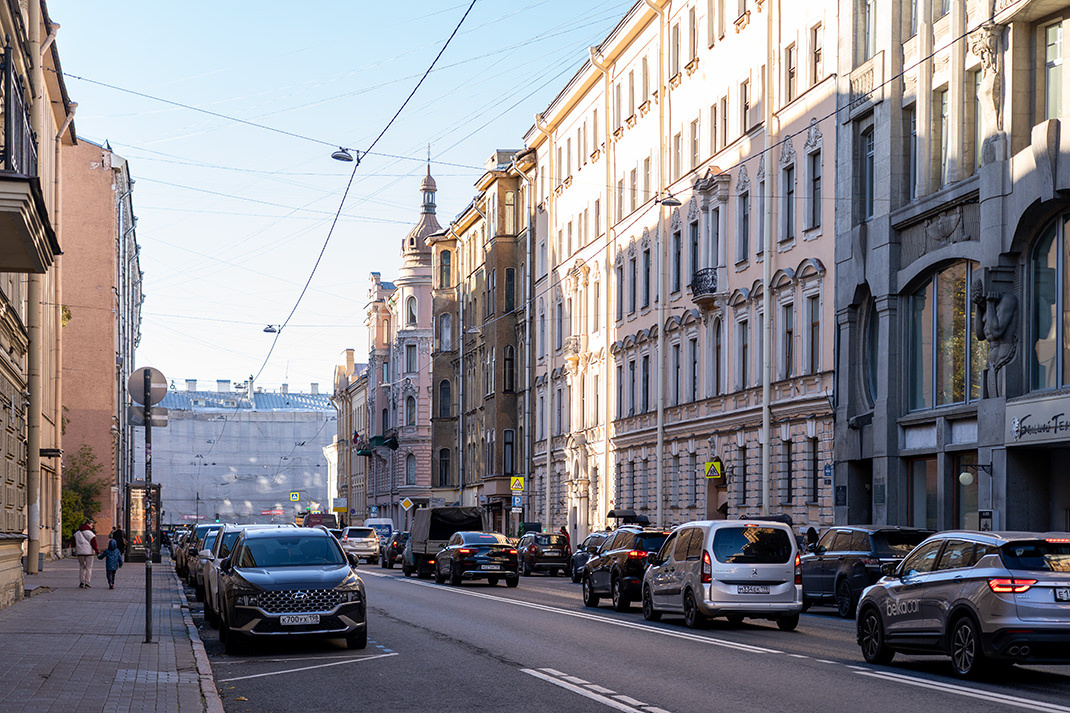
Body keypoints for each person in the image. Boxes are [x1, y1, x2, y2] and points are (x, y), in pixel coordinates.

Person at [73, 522, 98, 588]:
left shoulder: (76, 534)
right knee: (88, 568)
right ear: (88, 524)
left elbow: (73, 543)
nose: (91, 527)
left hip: (80, 552)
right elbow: (94, 544)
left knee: (81, 567)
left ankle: (81, 582)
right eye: (91, 525)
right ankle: (87, 583)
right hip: (89, 553)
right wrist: (97, 552)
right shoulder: (90, 534)